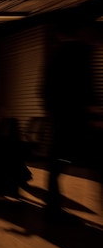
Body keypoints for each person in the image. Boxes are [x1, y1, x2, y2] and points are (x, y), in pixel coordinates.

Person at [43, 19, 103, 222]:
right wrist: (94, 116)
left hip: (61, 121)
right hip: (79, 121)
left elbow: (45, 91)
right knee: (96, 164)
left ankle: (52, 208)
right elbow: (87, 88)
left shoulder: (54, 55)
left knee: (56, 164)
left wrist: (54, 114)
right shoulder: (81, 52)